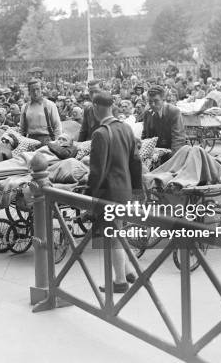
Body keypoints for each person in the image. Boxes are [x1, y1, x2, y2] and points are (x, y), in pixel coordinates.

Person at [85, 91, 143, 293]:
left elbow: (97, 172)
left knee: (113, 237)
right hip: (125, 190)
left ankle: (119, 282)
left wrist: (89, 196)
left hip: (109, 194)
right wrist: (137, 192)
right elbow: (136, 163)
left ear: (95, 108)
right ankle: (131, 272)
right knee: (119, 233)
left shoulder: (100, 133)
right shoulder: (126, 128)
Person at [141, 86, 186, 157]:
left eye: (156, 101)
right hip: (156, 154)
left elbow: (178, 139)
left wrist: (172, 158)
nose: (152, 104)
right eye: (150, 101)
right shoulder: (147, 113)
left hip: (174, 151)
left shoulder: (174, 112)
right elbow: (145, 136)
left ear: (163, 99)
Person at [20, 78, 61, 145]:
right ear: (29, 91)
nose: (35, 92)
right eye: (33, 90)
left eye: (37, 89)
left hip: (46, 140)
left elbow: (57, 126)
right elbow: (22, 129)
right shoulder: (25, 107)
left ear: (41, 90)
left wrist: (56, 142)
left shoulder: (50, 105)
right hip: (29, 140)